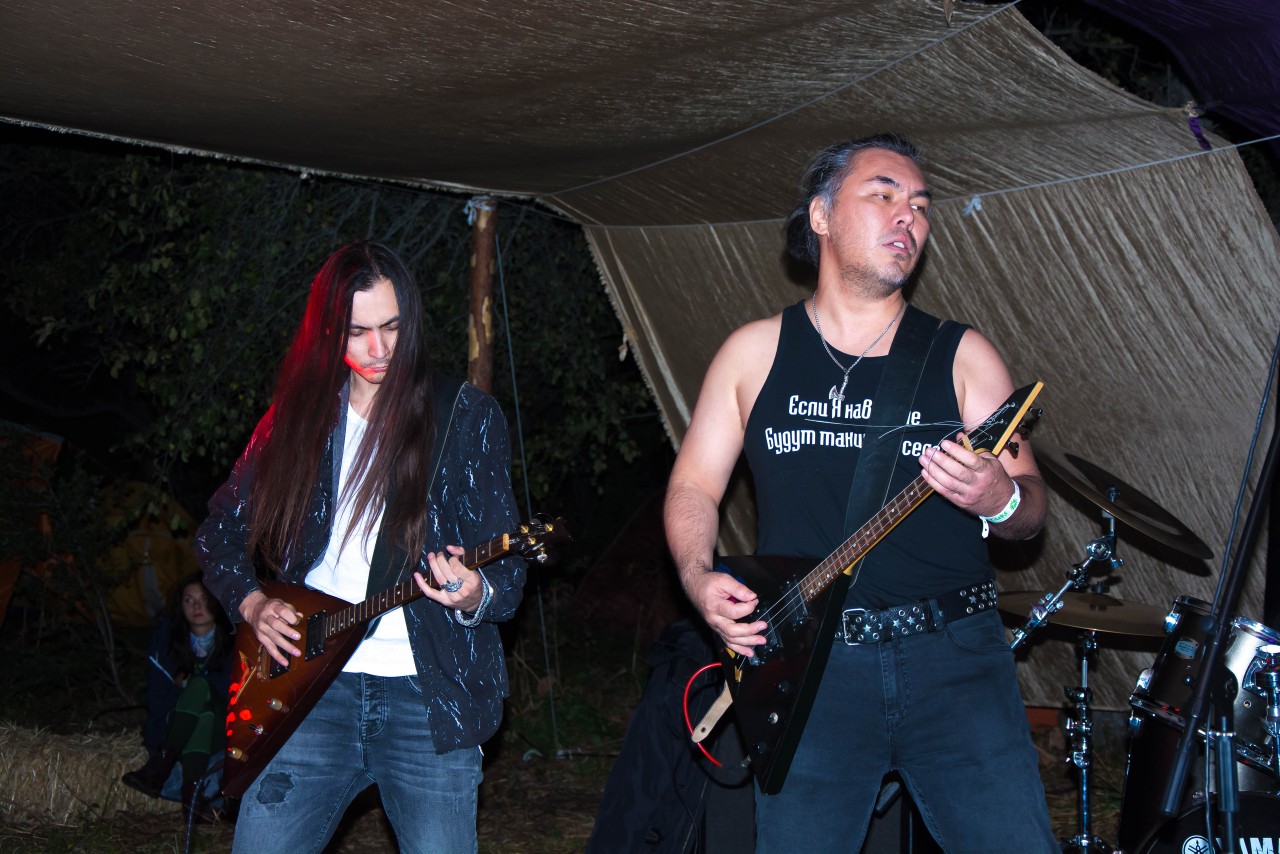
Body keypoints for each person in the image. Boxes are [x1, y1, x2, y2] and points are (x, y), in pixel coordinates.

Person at [664, 133, 1058, 851]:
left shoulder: (961, 354)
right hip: (812, 669)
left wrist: (997, 497)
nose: (908, 215)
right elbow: (693, 484)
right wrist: (697, 576)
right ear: (821, 216)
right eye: (883, 195)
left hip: (955, 663)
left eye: (920, 205)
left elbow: (1030, 510)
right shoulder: (753, 352)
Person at [195, 239, 526, 853]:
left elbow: (507, 580)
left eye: (392, 327)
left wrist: (474, 591)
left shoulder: (466, 417)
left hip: (429, 699)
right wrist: (252, 604)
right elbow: (219, 532)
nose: (379, 350)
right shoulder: (297, 420)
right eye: (357, 332)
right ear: (327, 333)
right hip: (310, 689)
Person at [121, 572, 233, 824]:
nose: (197, 606)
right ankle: (192, 800)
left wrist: (191, 684)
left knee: (200, 686)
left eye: (204, 599)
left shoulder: (235, 641)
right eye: (188, 600)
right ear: (180, 606)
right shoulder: (166, 644)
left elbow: (230, 691)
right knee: (202, 713)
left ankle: (160, 768)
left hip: (223, 727)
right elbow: (158, 700)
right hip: (179, 727)